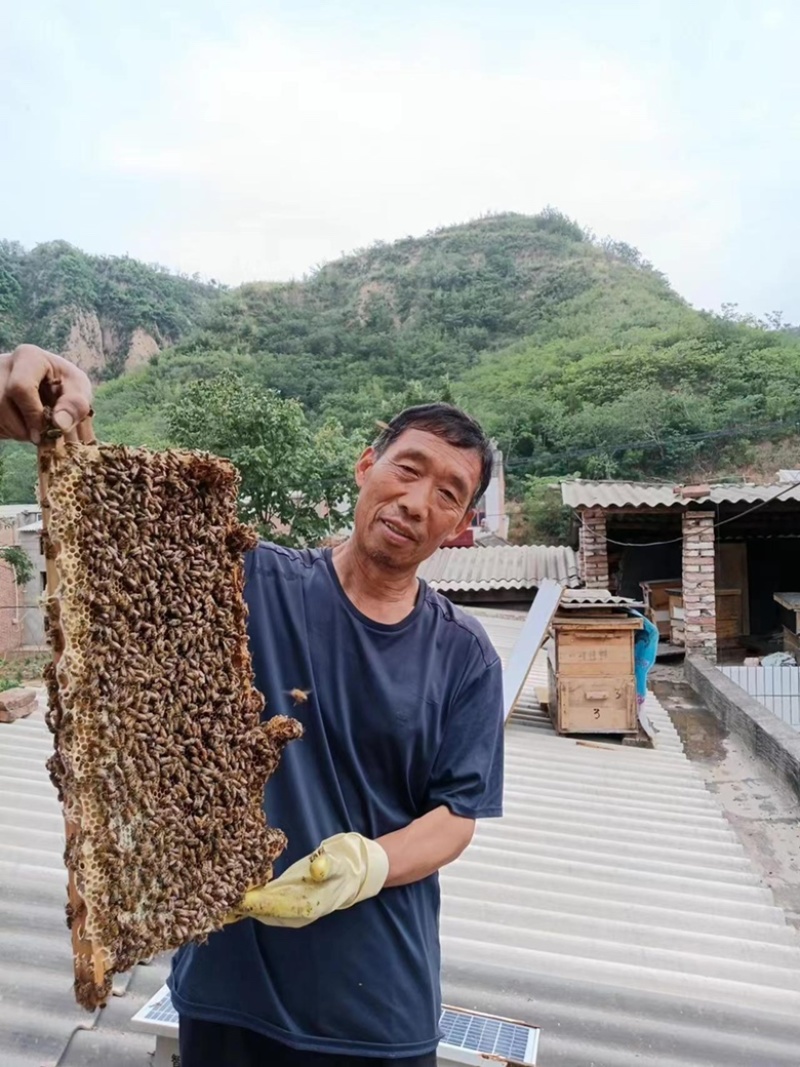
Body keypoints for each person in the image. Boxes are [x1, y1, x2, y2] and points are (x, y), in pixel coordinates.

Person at [1, 343, 505, 1066]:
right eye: (408, 467)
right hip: (225, 991)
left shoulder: (464, 653)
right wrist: (59, 410)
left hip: (375, 1009)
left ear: (459, 526)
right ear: (368, 467)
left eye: (450, 492)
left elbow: (457, 816)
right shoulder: (253, 581)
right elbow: (121, 541)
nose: (418, 501)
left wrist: (366, 863)